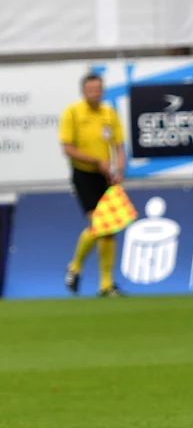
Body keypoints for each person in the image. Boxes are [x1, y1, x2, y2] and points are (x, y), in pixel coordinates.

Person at [61, 72, 126, 297]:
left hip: (106, 176)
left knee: (109, 230)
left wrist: (119, 170)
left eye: (98, 89)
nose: (94, 93)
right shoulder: (73, 112)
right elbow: (68, 147)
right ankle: (75, 266)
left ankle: (106, 284)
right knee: (98, 224)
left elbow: (119, 146)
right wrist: (97, 161)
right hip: (84, 174)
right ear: (83, 91)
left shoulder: (109, 113)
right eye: (90, 89)